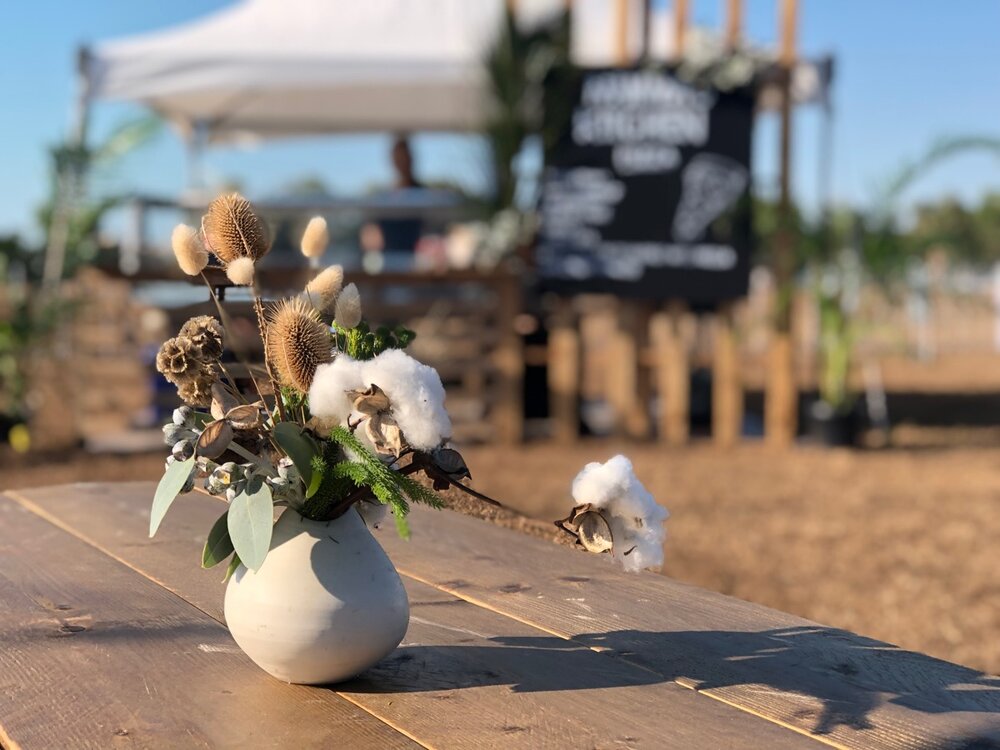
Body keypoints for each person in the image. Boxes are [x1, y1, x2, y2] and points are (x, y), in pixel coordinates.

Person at [360, 135, 426, 271]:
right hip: (388, 263)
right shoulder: (386, 196)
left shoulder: (422, 193)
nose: (401, 161)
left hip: (417, 264)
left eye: (404, 157)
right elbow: (371, 231)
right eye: (398, 157)